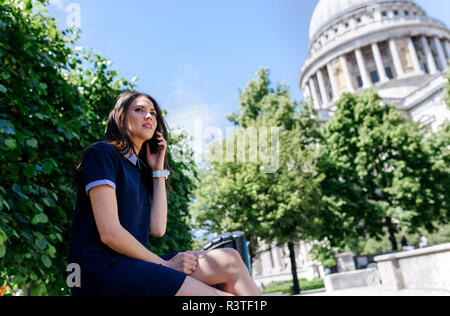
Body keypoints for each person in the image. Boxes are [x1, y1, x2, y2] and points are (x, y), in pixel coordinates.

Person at [67, 91, 261, 296]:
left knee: (229, 259)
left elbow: (157, 228)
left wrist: (157, 171)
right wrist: (165, 265)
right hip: (99, 271)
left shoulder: (139, 171)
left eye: (153, 112)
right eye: (139, 110)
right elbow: (110, 233)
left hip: (134, 267)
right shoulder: (102, 154)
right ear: (121, 118)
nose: (149, 116)